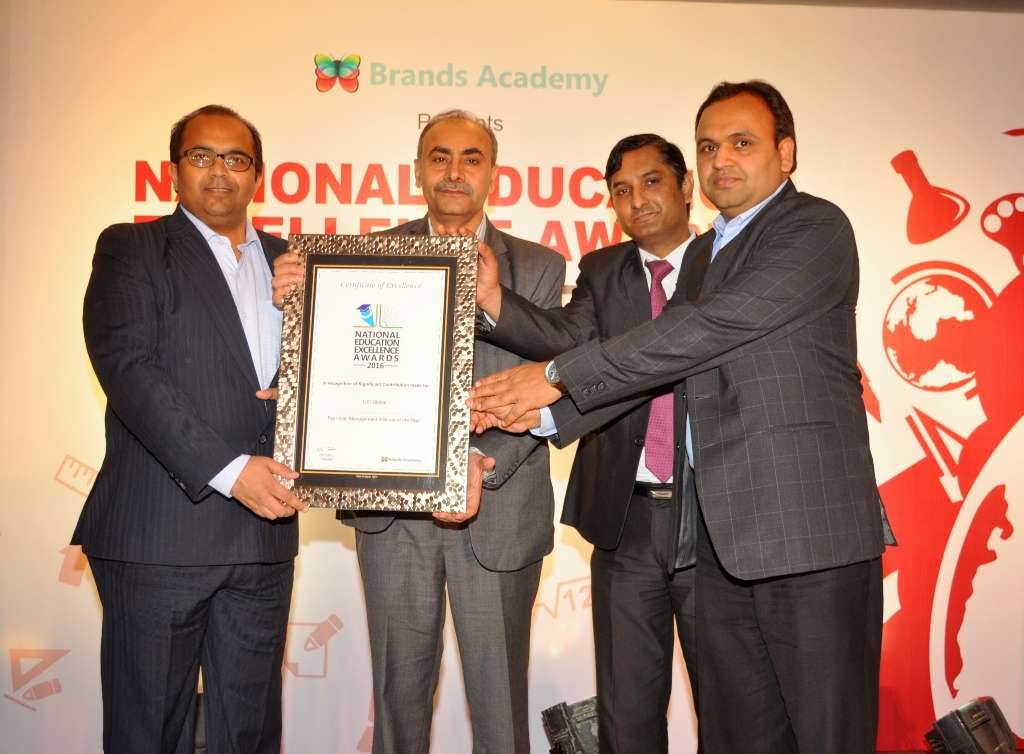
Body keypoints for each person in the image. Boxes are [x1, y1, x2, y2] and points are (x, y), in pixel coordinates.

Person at [469, 82, 894, 754]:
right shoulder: (701, 256)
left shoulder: (814, 228)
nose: (722, 158)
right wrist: (548, 417)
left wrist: (553, 378)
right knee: (736, 737)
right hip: (718, 541)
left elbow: (706, 329)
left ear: (785, 153)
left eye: (742, 142)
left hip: (805, 536)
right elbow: (665, 368)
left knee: (825, 734)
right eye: (709, 145)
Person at [272, 109, 565, 754]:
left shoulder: (540, 265)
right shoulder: (360, 258)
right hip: (393, 515)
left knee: (501, 714)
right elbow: (331, 365)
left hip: (499, 512)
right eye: (439, 157)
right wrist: (296, 307)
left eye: (471, 158)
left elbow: (553, 377)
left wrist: (479, 461)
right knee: (397, 709)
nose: (454, 171)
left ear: (493, 173)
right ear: (416, 171)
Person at [74, 104, 307, 753]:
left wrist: (306, 320)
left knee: (250, 735)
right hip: (161, 537)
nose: (219, 172)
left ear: (258, 173)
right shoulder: (132, 248)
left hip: (262, 539)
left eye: (236, 159)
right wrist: (231, 473)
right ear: (174, 169)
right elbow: (129, 368)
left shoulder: (295, 263)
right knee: (150, 733)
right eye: (201, 156)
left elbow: (326, 378)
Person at [474, 133, 699, 753]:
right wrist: (493, 299)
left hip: (717, 518)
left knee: (732, 707)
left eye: (651, 182)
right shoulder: (603, 270)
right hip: (625, 519)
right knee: (627, 713)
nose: (637, 200)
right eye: (621, 190)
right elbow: (564, 341)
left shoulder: (727, 264)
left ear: (686, 185)